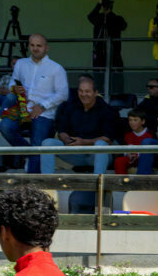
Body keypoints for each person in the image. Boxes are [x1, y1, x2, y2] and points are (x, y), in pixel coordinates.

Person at [40, 77, 117, 211]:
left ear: (95, 92)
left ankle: (96, 188)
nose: (83, 94)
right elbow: (62, 129)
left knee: (101, 145)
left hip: (97, 155)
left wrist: (84, 142)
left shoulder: (106, 110)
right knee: (47, 143)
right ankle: (48, 188)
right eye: (81, 91)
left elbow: (108, 138)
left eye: (87, 91)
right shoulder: (72, 107)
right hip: (76, 152)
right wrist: (67, 140)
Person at [0, 33, 69, 173]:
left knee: (37, 143)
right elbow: (13, 81)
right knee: (4, 126)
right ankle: (30, 155)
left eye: (39, 46)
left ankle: (32, 181)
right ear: (29, 45)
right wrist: (14, 88)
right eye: (32, 45)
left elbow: (63, 94)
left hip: (45, 113)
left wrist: (43, 106)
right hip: (23, 108)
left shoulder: (56, 68)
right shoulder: (21, 64)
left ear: (46, 48)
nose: (35, 49)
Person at [113, 109, 158, 174]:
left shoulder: (150, 134)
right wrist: (128, 154)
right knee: (119, 161)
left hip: (144, 159)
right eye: (130, 120)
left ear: (143, 121)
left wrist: (137, 155)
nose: (132, 122)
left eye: (135, 120)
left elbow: (153, 151)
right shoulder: (127, 135)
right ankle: (122, 182)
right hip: (130, 159)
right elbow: (123, 148)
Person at [88, 0, 126, 70]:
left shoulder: (114, 18)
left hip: (111, 51)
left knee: (106, 73)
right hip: (104, 51)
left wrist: (98, 5)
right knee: (106, 73)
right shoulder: (113, 18)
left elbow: (91, 16)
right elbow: (90, 17)